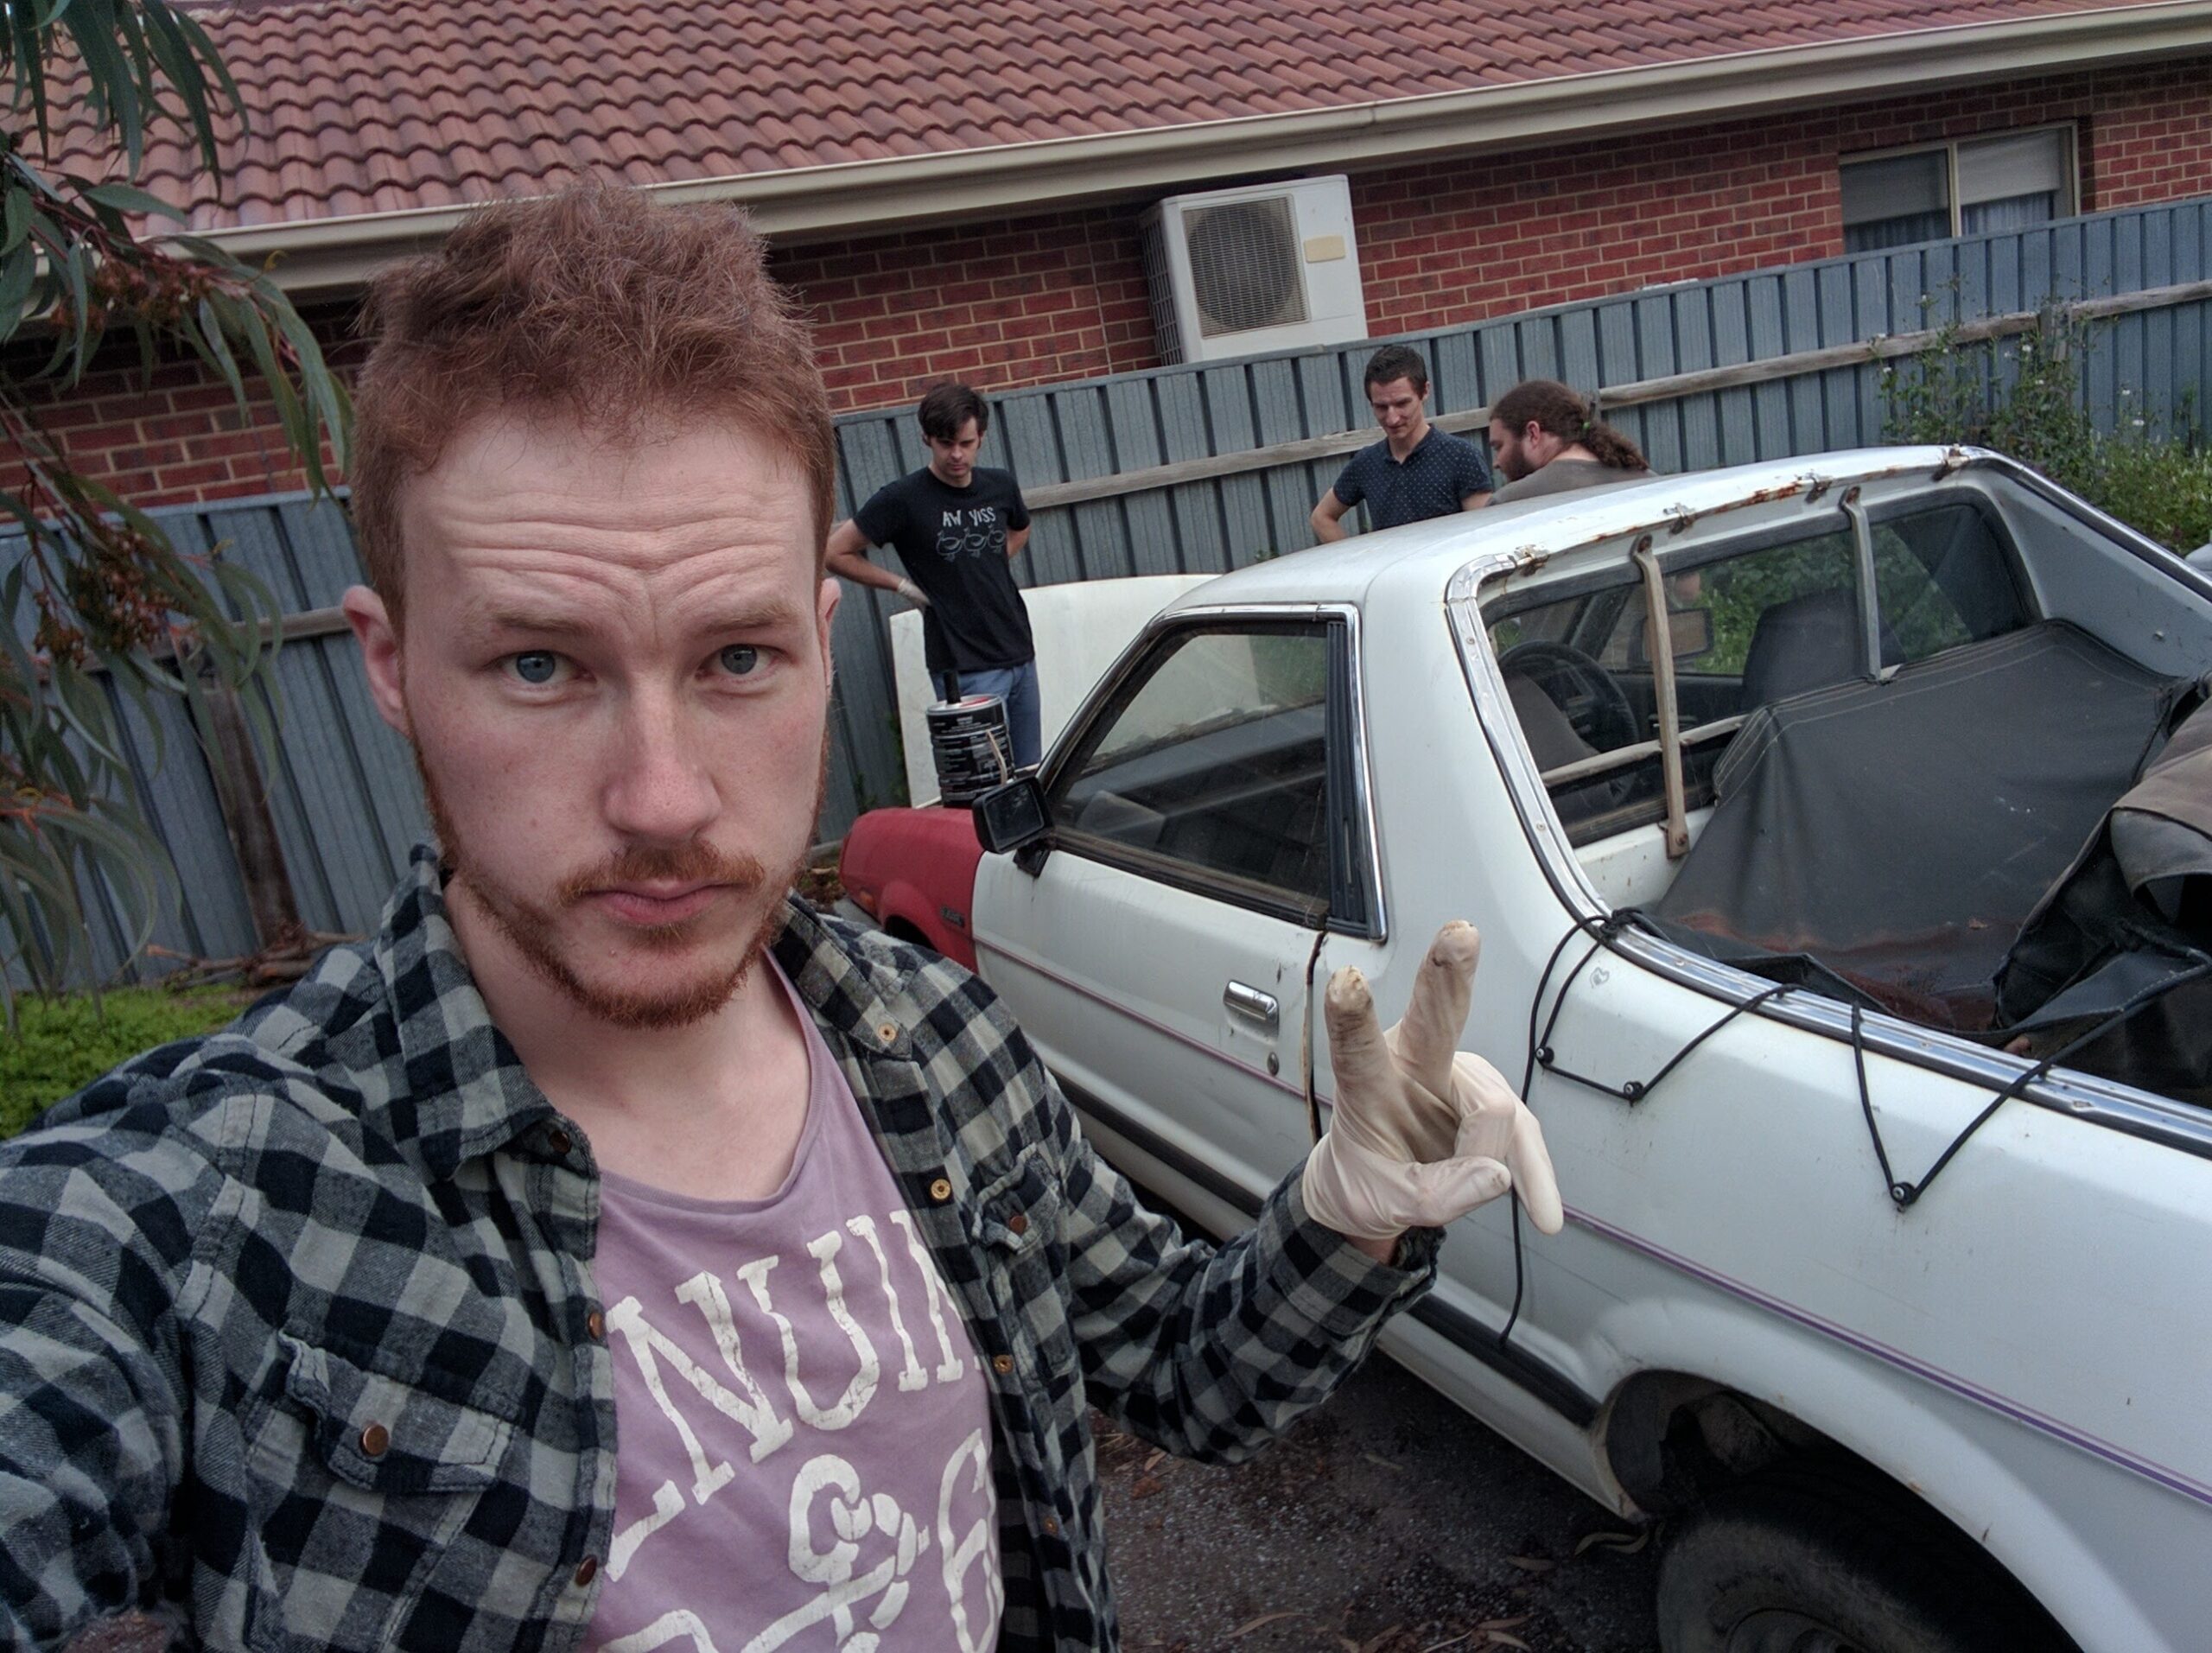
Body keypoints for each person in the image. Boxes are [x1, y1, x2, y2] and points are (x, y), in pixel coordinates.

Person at [0, 183, 1561, 1653]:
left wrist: (1355, 1211)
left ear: (824, 640)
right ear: (392, 660)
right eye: (541, 666)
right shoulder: (225, 1215)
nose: (665, 797)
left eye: (737, 658)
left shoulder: (930, 1041)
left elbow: (1174, 1359)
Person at [826, 384, 1043, 768]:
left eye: (966, 442)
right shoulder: (903, 499)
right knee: (985, 781)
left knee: (1030, 773)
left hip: (1019, 651)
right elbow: (835, 551)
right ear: (926, 438)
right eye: (945, 444)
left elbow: (1020, 527)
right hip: (963, 663)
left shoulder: (1000, 485)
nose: (957, 455)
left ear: (982, 438)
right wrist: (904, 587)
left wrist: (989, 562)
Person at [1311, 344, 1491, 541]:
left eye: (1402, 404)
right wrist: (1355, 564)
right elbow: (1322, 517)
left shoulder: (1460, 456)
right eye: (1381, 407)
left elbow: (1483, 535)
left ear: (1425, 392)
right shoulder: (1367, 463)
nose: (1392, 418)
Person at [1484, 379, 1651, 504]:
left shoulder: (1509, 504)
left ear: (1533, 434)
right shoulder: (1650, 483)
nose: (1496, 463)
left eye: (1499, 447)